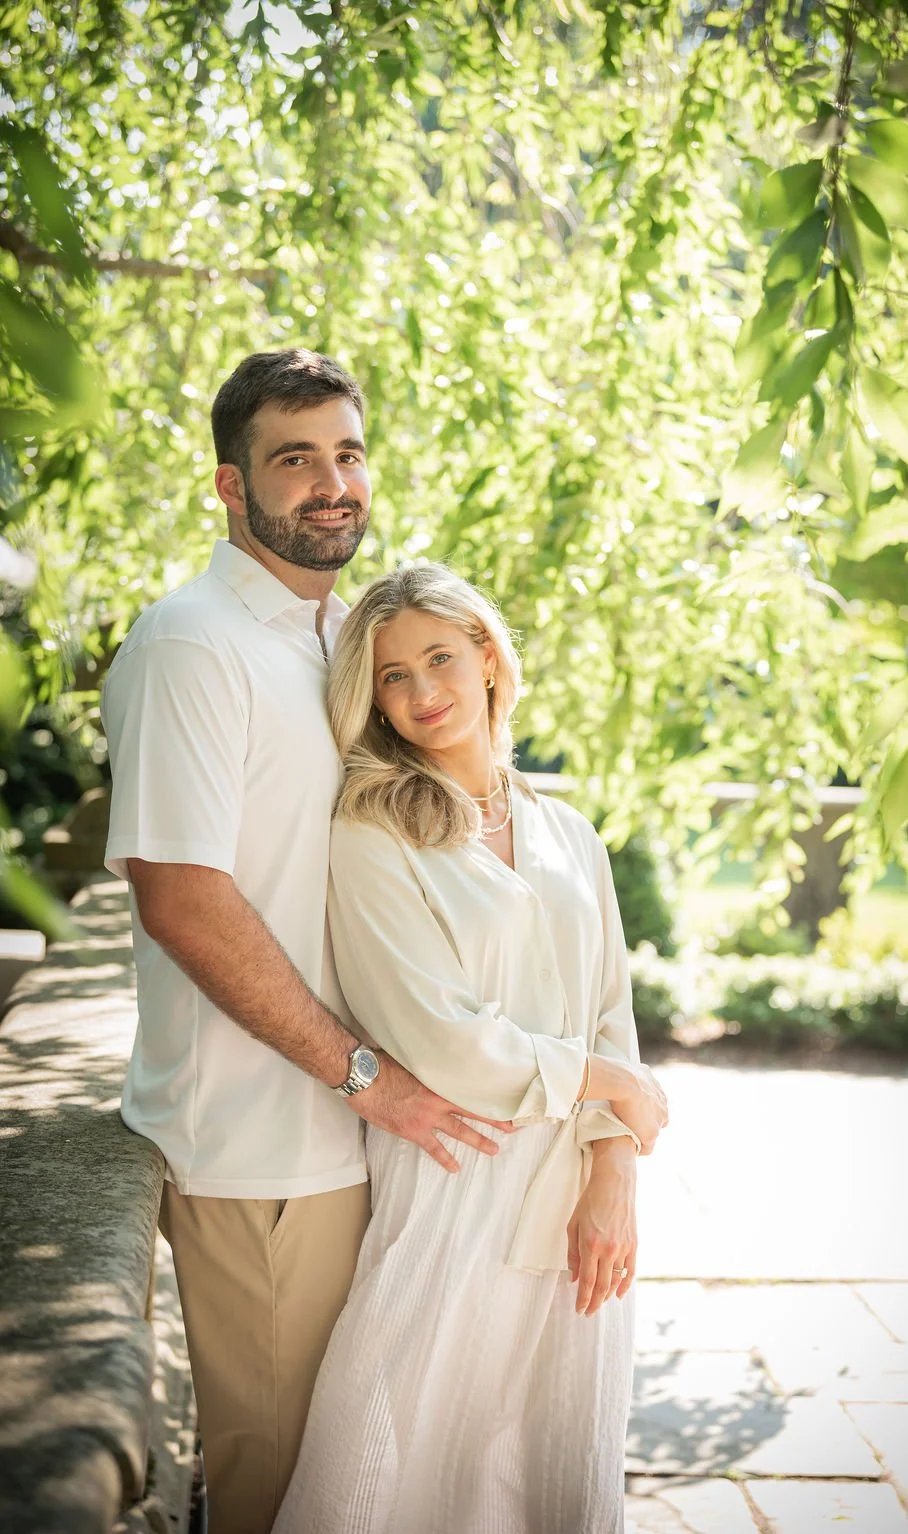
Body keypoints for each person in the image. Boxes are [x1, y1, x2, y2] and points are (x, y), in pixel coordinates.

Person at [100, 350, 519, 1534]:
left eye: (348, 452)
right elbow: (181, 896)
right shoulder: (193, 643)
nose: (332, 483)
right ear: (232, 489)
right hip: (266, 1142)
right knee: (279, 1490)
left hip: (355, 1135)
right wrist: (364, 1075)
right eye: (295, 459)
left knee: (360, 1480)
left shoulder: (334, 641)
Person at [272, 563, 669, 1534]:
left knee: (549, 1451)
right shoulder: (370, 832)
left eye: (440, 659)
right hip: (454, 1172)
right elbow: (437, 1037)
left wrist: (612, 1166)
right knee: (391, 1445)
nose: (419, 694)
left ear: (490, 657)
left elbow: (608, 1008)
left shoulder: (569, 833)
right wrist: (609, 1081)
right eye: (392, 676)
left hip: (575, 1187)